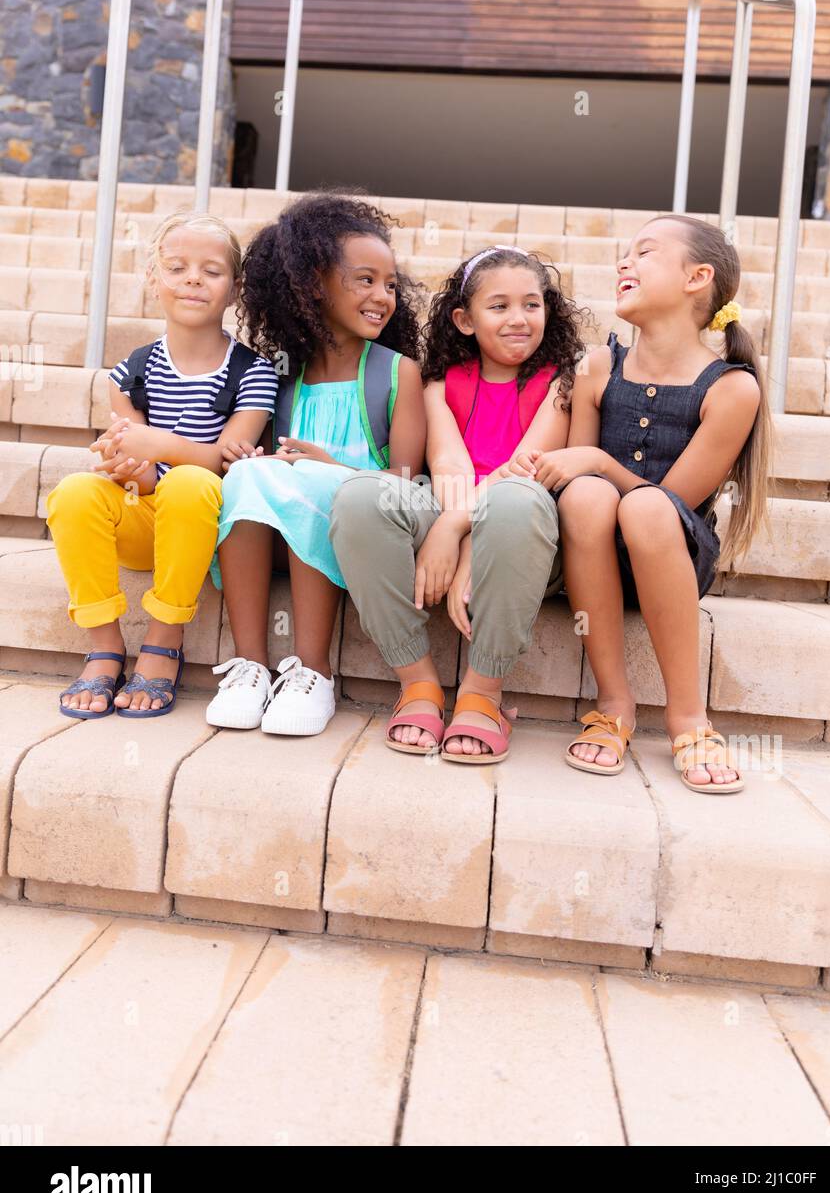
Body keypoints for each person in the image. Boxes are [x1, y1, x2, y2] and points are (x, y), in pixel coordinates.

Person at [517, 215, 769, 793]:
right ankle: (614, 704)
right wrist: (589, 470)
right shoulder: (597, 364)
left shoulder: (731, 387)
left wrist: (602, 464)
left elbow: (673, 503)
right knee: (584, 494)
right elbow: (574, 475)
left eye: (644, 253)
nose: (623, 263)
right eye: (624, 254)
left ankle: (688, 717)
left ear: (696, 277)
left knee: (644, 507)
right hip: (591, 551)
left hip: (668, 552)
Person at [330, 244, 585, 764]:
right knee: (361, 496)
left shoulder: (559, 383)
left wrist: (457, 538)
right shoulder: (439, 383)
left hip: (525, 539)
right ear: (465, 320)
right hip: (454, 506)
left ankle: (481, 691)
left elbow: (525, 469)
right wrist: (452, 526)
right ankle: (417, 681)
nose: (519, 318)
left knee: (516, 500)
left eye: (532, 305)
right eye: (500, 306)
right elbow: (448, 467)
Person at [205, 192, 425, 737]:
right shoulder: (283, 379)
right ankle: (250, 664)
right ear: (312, 285)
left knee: (311, 478)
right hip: (286, 534)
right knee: (253, 473)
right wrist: (251, 459)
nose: (383, 296)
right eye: (365, 280)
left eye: (390, 284)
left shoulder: (398, 374)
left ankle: (313, 670)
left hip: (364, 532)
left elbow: (404, 483)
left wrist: (332, 468)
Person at [46, 212, 279, 718]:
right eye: (177, 267)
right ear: (154, 281)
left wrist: (155, 443)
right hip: (143, 517)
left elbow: (225, 463)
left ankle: (163, 640)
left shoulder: (253, 372)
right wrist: (130, 464)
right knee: (74, 492)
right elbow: (136, 460)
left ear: (235, 289)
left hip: (204, 526)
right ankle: (105, 645)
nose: (193, 278)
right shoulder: (131, 372)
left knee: (192, 483)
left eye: (211, 270)